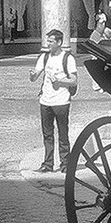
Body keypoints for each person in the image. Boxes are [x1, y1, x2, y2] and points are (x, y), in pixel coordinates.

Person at [30, 28, 77, 172]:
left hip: (61, 101)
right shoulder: (44, 57)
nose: (48, 44)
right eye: (48, 41)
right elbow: (35, 76)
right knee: (47, 135)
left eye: (51, 41)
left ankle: (65, 164)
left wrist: (60, 81)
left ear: (59, 42)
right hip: (45, 101)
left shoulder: (67, 58)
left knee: (63, 134)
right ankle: (47, 164)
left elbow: (74, 81)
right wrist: (32, 75)